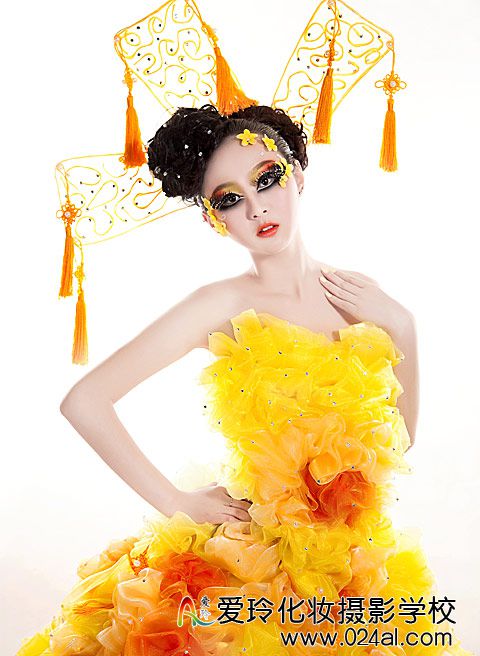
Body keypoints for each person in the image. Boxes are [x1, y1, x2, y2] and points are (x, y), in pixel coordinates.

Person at [17, 103, 472, 656]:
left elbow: (397, 444)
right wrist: (176, 501)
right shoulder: (221, 304)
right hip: (252, 563)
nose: (256, 208)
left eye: (267, 179)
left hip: (349, 566)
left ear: (296, 175)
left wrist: (403, 326)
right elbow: (85, 401)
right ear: (215, 219)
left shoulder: (357, 293)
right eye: (229, 199)